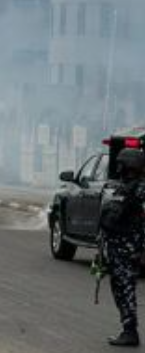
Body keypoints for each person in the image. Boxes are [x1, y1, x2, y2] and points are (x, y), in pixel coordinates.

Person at [99, 148, 145, 347]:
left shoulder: (141, 189)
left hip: (129, 249)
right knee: (119, 288)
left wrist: (141, 250)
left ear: (130, 166)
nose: (118, 167)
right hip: (117, 249)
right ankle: (127, 329)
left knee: (125, 289)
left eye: (121, 163)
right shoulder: (124, 187)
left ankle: (130, 332)